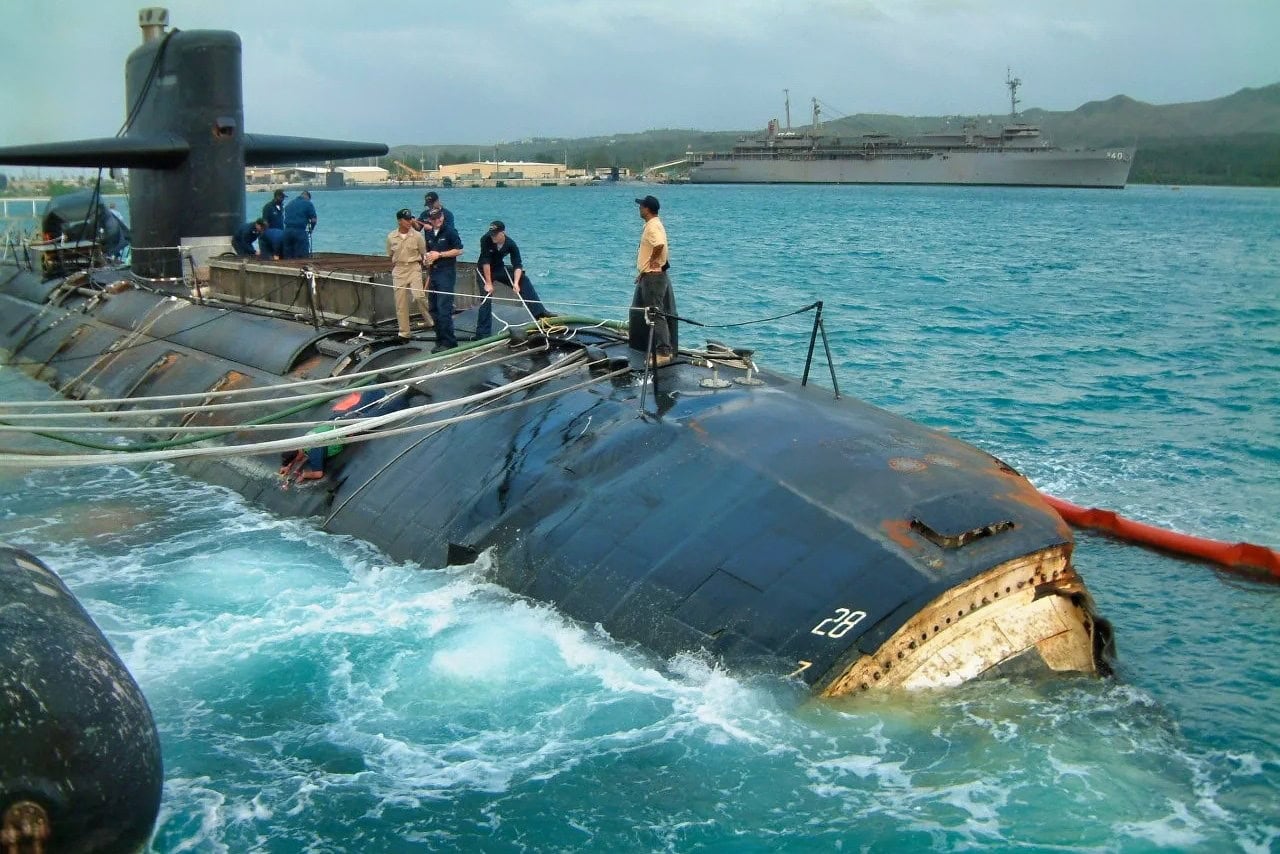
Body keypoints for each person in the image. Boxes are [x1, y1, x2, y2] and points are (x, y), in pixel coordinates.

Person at [475, 220, 551, 337]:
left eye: (496, 234)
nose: (493, 237)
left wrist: (515, 283)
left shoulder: (511, 244)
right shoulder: (485, 239)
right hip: (484, 270)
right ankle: (482, 333)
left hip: (499, 268)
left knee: (523, 280)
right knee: (486, 297)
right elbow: (485, 262)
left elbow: (517, 265)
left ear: (503, 233)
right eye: (492, 234)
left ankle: (539, 313)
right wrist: (489, 283)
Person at [633, 194, 674, 366]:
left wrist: (651, 263)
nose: (639, 208)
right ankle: (657, 346)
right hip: (650, 275)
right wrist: (643, 271)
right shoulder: (654, 224)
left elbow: (659, 245)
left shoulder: (652, 227)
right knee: (653, 313)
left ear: (647, 209)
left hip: (654, 277)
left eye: (641, 206)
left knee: (656, 314)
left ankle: (664, 351)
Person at [422, 207, 463, 351]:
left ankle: (449, 341)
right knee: (433, 309)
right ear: (430, 220)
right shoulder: (428, 233)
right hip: (434, 272)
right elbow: (428, 250)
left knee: (444, 308)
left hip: (446, 272)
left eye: (439, 217)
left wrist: (439, 255)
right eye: (434, 219)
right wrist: (427, 259)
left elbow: (459, 250)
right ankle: (440, 338)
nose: (438, 220)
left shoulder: (450, 231)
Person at [386, 208, 431, 339]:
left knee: (419, 296)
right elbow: (390, 254)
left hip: (414, 267)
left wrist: (428, 267)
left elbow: (424, 253)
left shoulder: (417, 236)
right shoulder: (391, 237)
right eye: (406, 219)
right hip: (399, 269)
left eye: (410, 218)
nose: (409, 221)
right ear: (399, 221)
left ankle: (431, 321)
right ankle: (404, 332)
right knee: (400, 303)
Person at [282, 190, 316, 259]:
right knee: (302, 257)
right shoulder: (308, 203)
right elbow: (313, 220)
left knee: (288, 256)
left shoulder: (289, 204)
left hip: (287, 232)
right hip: (299, 232)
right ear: (308, 197)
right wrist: (311, 229)